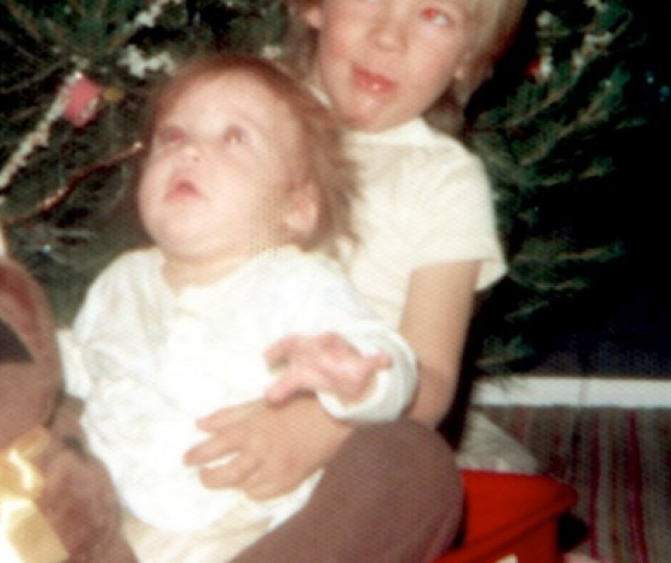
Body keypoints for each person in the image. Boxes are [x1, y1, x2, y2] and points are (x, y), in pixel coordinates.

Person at [184, 0, 534, 560]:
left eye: (433, 14)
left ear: (468, 57)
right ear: (312, 6)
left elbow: (431, 376)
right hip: (184, 414)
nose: (388, 38)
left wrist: (325, 423)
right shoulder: (236, 118)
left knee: (414, 467)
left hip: (331, 470)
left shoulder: (442, 182)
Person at [59, 54, 426, 562]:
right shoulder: (120, 281)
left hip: (241, 524)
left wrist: (359, 379)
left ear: (296, 207)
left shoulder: (295, 282)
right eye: (172, 136)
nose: (189, 152)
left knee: (396, 472)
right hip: (115, 518)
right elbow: (80, 365)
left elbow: (392, 359)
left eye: (234, 138)